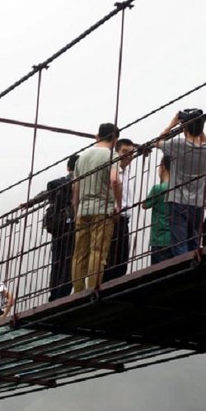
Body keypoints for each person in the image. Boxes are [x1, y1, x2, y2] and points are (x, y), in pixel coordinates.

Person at [145, 109, 206, 259]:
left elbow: (158, 142)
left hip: (177, 202)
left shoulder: (178, 144)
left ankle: (184, 270)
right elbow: (205, 143)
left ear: (184, 128)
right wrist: (199, 125)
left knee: (179, 244)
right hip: (198, 203)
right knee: (194, 242)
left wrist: (172, 124)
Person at [71, 122, 122, 293]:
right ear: (115, 140)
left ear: (97, 136)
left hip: (82, 210)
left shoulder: (81, 158)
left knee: (79, 254)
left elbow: (75, 188)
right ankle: (92, 289)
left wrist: (76, 209)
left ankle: (78, 291)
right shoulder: (111, 155)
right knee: (97, 252)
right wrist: (119, 205)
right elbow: (115, 180)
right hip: (102, 210)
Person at [43, 155, 80, 300]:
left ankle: (53, 294)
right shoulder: (80, 181)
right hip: (71, 224)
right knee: (69, 258)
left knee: (56, 259)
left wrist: (29, 203)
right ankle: (63, 292)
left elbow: (44, 195)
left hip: (56, 225)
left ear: (68, 167)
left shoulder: (57, 183)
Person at [104, 138, 137, 282]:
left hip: (125, 219)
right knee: (110, 259)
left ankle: (117, 285)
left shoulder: (127, 172)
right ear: (116, 152)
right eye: (124, 152)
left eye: (131, 153)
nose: (128, 156)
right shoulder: (112, 171)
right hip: (113, 218)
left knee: (122, 259)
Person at [141, 155, 173, 264]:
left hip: (159, 241)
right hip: (176, 239)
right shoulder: (181, 187)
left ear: (163, 167)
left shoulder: (158, 189)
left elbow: (144, 205)